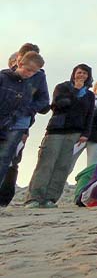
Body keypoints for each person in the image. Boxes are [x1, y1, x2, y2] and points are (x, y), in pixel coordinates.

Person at [27, 63, 96, 209]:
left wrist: (85, 134)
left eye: (85, 73)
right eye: (79, 72)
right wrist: (75, 92)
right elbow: (58, 105)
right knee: (46, 164)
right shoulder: (62, 88)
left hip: (75, 133)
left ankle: (50, 199)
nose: (81, 75)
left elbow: (90, 115)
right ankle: (34, 197)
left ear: (88, 76)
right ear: (73, 73)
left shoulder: (89, 95)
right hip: (56, 130)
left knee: (63, 166)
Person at [0, 51, 49, 192]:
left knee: (4, 158)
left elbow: (44, 101)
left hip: (18, 123)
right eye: (28, 70)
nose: (29, 74)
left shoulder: (38, 79)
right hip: (2, 117)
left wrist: (27, 110)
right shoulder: (3, 77)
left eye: (34, 72)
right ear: (19, 63)